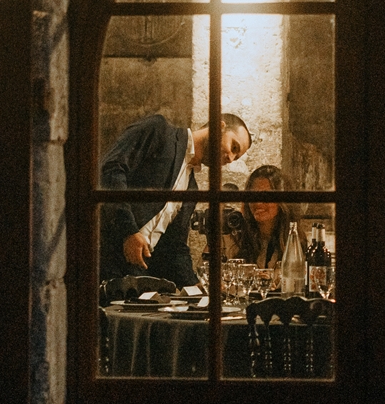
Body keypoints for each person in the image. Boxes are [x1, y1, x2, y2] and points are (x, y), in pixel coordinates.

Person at [99, 111, 250, 289]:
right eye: (233, 147)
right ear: (219, 127)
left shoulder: (191, 187)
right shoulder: (159, 130)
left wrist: (196, 286)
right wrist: (128, 231)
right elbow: (111, 169)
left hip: (136, 276)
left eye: (236, 157)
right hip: (99, 256)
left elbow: (174, 247)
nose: (230, 158)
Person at [228, 164, 294, 268]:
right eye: (253, 195)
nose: (258, 202)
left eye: (266, 195)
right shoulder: (234, 237)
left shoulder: (293, 241)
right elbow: (204, 276)